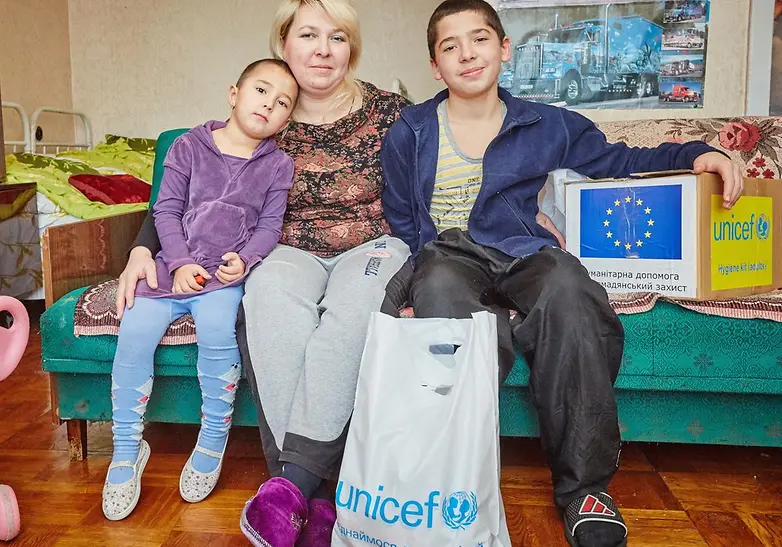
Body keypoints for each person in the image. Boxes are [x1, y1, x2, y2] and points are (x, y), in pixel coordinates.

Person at [379, 2, 743, 547]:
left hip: (523, 249)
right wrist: (412, 274)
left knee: (571, 293)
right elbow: (404, 217)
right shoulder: (409, 131)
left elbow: (619, 160)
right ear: (435, 65)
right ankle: (450, 479)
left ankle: (585, 491)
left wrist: (698, 153)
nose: (466, 54)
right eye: (449, 46)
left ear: (503, 48)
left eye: (478, 39)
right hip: (448, 254)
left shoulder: (543, 122)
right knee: (442, 303)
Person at [115, 1, 419, 544]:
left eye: (337, 37)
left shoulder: (392, 112)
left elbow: (423, 198)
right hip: (282, 249)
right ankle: (316, 499)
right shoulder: (264, 109)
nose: (323, 49)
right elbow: (195, 186)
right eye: (308, 35)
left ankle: (294, 488)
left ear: (353, 47)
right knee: (269, 305)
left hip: (372, 245)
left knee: (349, 317)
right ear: (284, 42)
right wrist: (144, 246)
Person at [102, 58, 299, 522]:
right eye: (260, 91)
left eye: (282, 103)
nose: (268, 105)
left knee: (217, 332)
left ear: (287, 120)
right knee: (134, 332)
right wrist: (181, 261)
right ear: (234, 93)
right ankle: (127, 449)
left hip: (224, 279)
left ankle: (212, 439)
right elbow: (165, 210)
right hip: (172, 267)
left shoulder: (278, 165)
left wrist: (245, 259)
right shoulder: (190, 146)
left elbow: (271, 226)